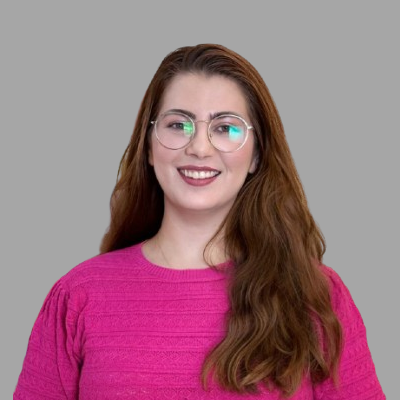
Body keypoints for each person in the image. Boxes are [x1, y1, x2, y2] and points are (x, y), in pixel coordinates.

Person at [14, 44, 385, 399]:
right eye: (179, 125)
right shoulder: (78, 295)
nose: (200, 148)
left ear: (256, 155)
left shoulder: (316, 295)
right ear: (148, 146)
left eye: (225, 128)